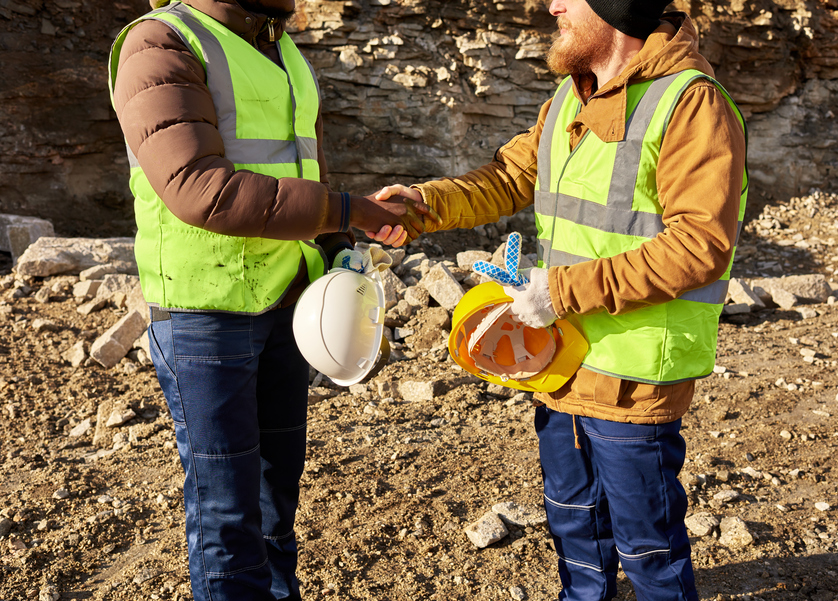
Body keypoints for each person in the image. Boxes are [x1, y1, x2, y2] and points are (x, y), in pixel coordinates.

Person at [372, 0, 748, 599]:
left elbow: (699, 245)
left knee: (649, 553)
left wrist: (560, 291)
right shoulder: (572, 98)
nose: (551, 6)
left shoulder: (691, 103)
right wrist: (419, 205)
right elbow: (507, 178)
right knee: (574, 530)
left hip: (633, 377)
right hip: (560, 363)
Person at [108, 1, 438, 599]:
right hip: (203, 314)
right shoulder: (160, 43)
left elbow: (301, 166)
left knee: (275, 495)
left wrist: (341, 240)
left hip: (285, 301)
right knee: (227, 512)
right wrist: (348, 209)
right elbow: (198, 189)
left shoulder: (278, 47)